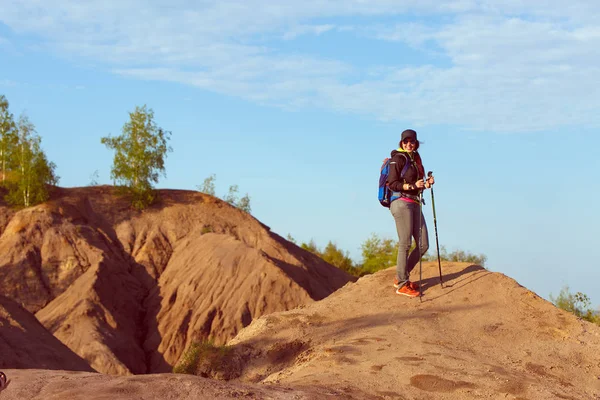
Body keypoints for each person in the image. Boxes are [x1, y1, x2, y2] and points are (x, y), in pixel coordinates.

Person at [387, 129, 435, 297]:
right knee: (405, 243)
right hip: (401, 203)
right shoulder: (398, 158)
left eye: (412, 141)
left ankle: (401, 276)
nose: (409, 144)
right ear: (401, 143)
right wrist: (412, 186)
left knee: (423, 244)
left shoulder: (415, 160)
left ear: (416, 143)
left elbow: (417, 183)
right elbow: (392, 183)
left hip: (415, 203)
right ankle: (401, 283)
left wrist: (426, 184)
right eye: (405, 141)